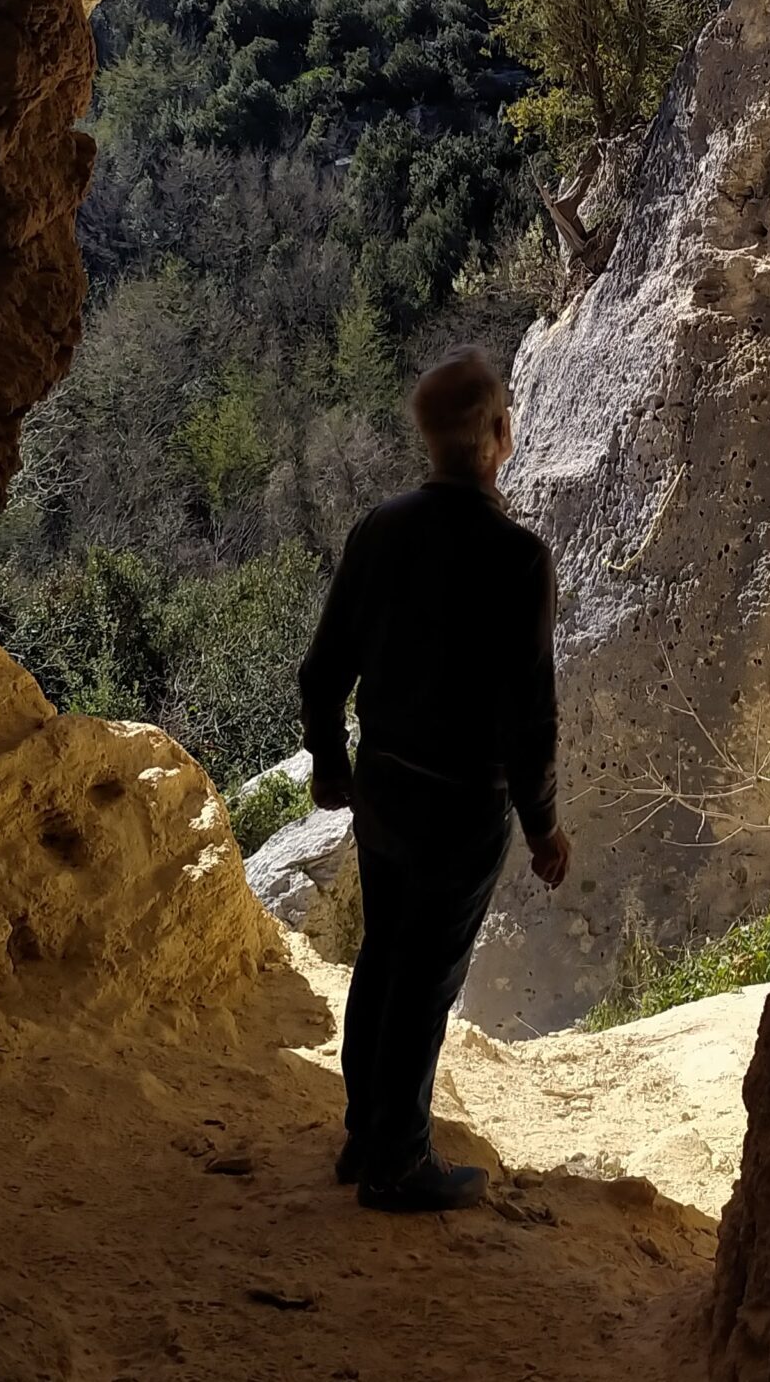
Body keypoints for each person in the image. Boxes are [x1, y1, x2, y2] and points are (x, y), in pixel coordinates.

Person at [299, 346, 569, 1214]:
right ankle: (398, 1161)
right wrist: (544, 827)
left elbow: (322, 669)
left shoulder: (382, 527)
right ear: (501, 436)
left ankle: (361, 1136)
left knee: (384, 958)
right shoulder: (517, 557)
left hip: (384, 785)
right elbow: (527, 717)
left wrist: (331, 766)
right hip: (462, 804)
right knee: (426, 981)